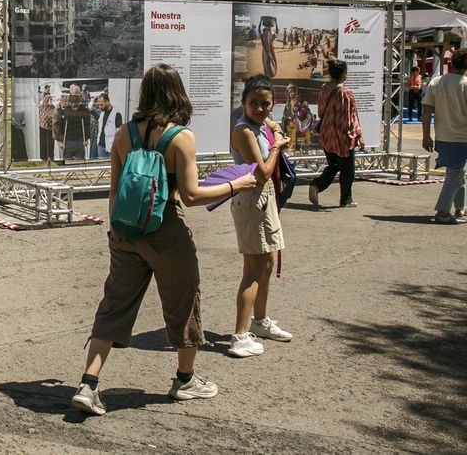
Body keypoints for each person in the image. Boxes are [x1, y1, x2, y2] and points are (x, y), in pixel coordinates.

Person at [71, 64, 257, 416]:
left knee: (114, 305)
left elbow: (114, 190)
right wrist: (237, 184)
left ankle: (88, 384)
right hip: (166, 230)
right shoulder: (181, 136)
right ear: (177, 92)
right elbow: (191, 195)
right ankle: (185, 379)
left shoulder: (124, 134)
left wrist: (115, 231)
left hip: (126, 231)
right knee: (184, 302)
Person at [227, 75, 294, 359]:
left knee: (267, 261)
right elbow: (262, 172)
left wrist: (276, 132)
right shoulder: (243, 130)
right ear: (243, 102)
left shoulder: (262, 123)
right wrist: (278, 146)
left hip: (265, 199)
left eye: (265, 103)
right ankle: (240, 336)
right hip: (252, 199)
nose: (260, 108)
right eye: (254, 103)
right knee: (253, 269)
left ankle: (260, 322)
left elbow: (275, 126)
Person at [309, 59, 364, 208]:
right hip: (342, 137)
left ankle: (317, 185)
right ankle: (345, 199)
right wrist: (358, 136)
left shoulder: (324, 88)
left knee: (334, 165)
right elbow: (351, 118)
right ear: (343, 74)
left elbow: (320, 111)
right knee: (347, 169)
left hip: (327, 135)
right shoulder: (346, 93)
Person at [422, 47, 467, 223]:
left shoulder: (436, 82)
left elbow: (427, 110)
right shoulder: (465, 84)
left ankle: (460, 207)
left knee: (456, 171)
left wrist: (426, 136)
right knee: (455, 173)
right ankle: (442, 212)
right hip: (462, 137)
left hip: (443, 136)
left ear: (451, 62)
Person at [57, 92, 93, 161]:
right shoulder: (66, 111)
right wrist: (61, 140)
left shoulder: (82, 110)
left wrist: (86, 139)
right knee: (68, 161)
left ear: (79, 104)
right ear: (70, 104)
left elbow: (87, 126)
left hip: (80, 140)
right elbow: (61, 126)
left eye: (77, 107)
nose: (75, 109)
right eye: (73, 107)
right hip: (68, 140)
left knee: (79, 161)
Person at [93, 93, 123, 159]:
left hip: (111, 146)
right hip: (101, 145)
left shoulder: (116, 114)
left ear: (107, 102)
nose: (100, 107)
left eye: (101, 104)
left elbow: (119, 132)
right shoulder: (102, 112)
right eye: (99, 105)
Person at [37, 89, 55, 162]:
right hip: (42, 128)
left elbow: (54, 116)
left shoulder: (53, 107)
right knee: (43, 143)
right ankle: (43, 157)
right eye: (49, 100)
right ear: (46, 100)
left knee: (51, 143)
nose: (51, 101)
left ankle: (51, 156)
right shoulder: (41, 107)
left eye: (51, 100)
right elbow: (41, 117)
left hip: (50, 128)